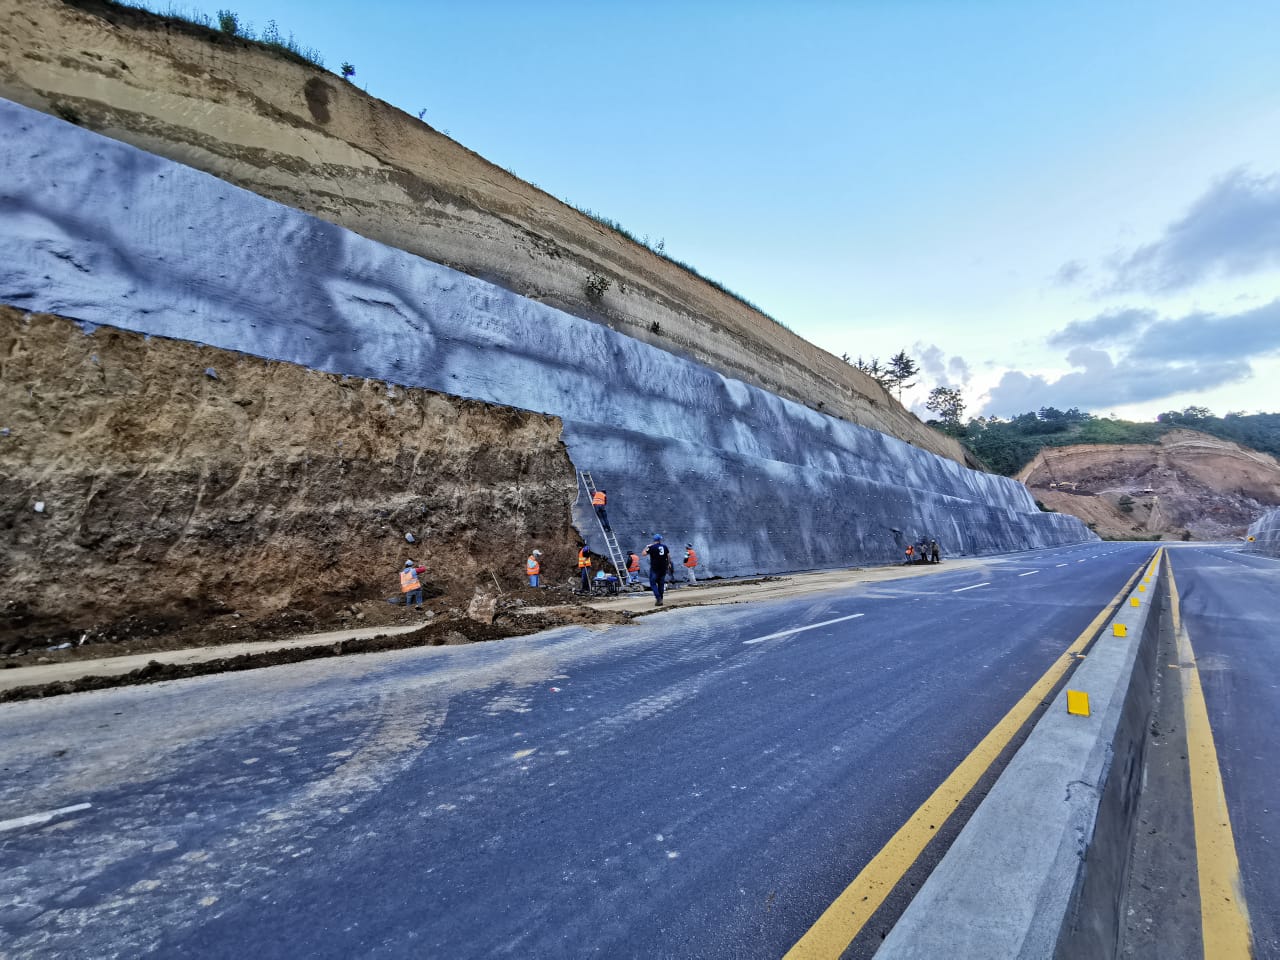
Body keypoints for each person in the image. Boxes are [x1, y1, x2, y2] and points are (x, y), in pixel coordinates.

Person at [643, 534, 672, 606]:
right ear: (660, 540)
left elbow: (643, 554)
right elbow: (668, 556)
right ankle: (661, 599)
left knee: (653, 583)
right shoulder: (665, 547)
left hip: (655, 568)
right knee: (661, 583)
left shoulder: (652, 547)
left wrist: (646, 547)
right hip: (663, 568)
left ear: (654, 540)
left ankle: (658, 598)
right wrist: (668, 564)